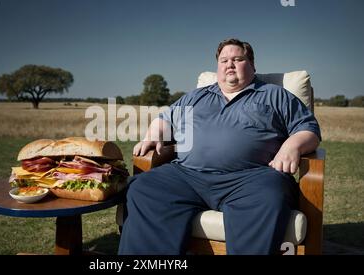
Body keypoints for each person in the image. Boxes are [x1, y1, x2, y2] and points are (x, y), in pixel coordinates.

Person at [118, 38, 321, 255]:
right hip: (187, 176)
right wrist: (154, 132)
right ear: (218, 67)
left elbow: (308, 129)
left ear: (252, 65)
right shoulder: (197, 96)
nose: (229, 64)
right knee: (144, 188)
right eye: (224, 60)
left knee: (269, 197)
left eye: (237, 59)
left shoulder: (275, 95)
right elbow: (165, 118)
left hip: (251, 179)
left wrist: (292, 145)